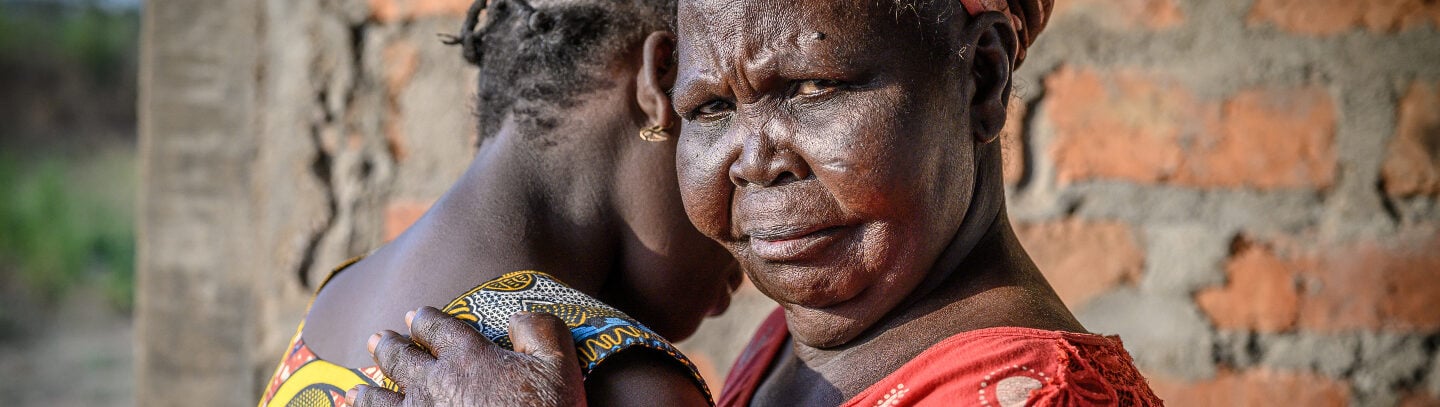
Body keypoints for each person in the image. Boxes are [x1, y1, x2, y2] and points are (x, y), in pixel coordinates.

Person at [349, 0, 1166, 406]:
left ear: (981, 79)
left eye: (815, 87)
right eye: (710, 109)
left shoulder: (1041, 399)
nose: (755, 161)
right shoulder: (794, 348)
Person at [256, 0, 743, 405]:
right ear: (663, 79)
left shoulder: (336, 300)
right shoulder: (627, 386)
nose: (749, 251)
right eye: (723, 109)